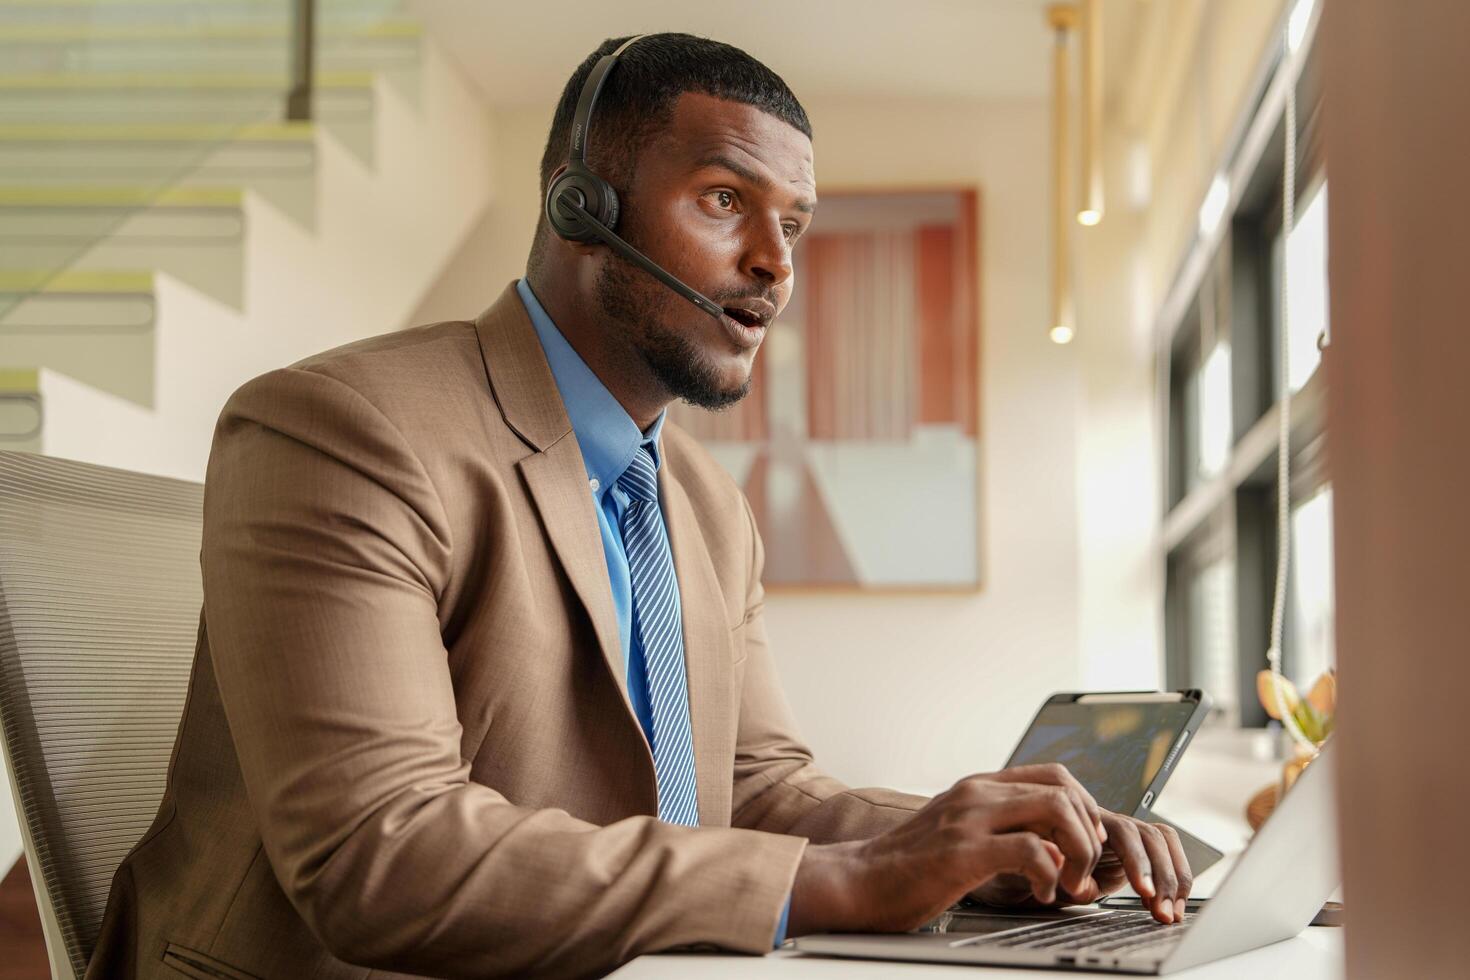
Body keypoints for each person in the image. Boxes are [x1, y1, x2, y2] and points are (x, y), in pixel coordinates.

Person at [86, 33, 1192, 980]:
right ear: (583, 207)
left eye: (795, 225)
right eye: (726, 200)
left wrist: (972, 844)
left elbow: (757, 785)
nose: (773, 265)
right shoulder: (346, 429)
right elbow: (385, 849)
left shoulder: (709, 507)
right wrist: (847, 878)